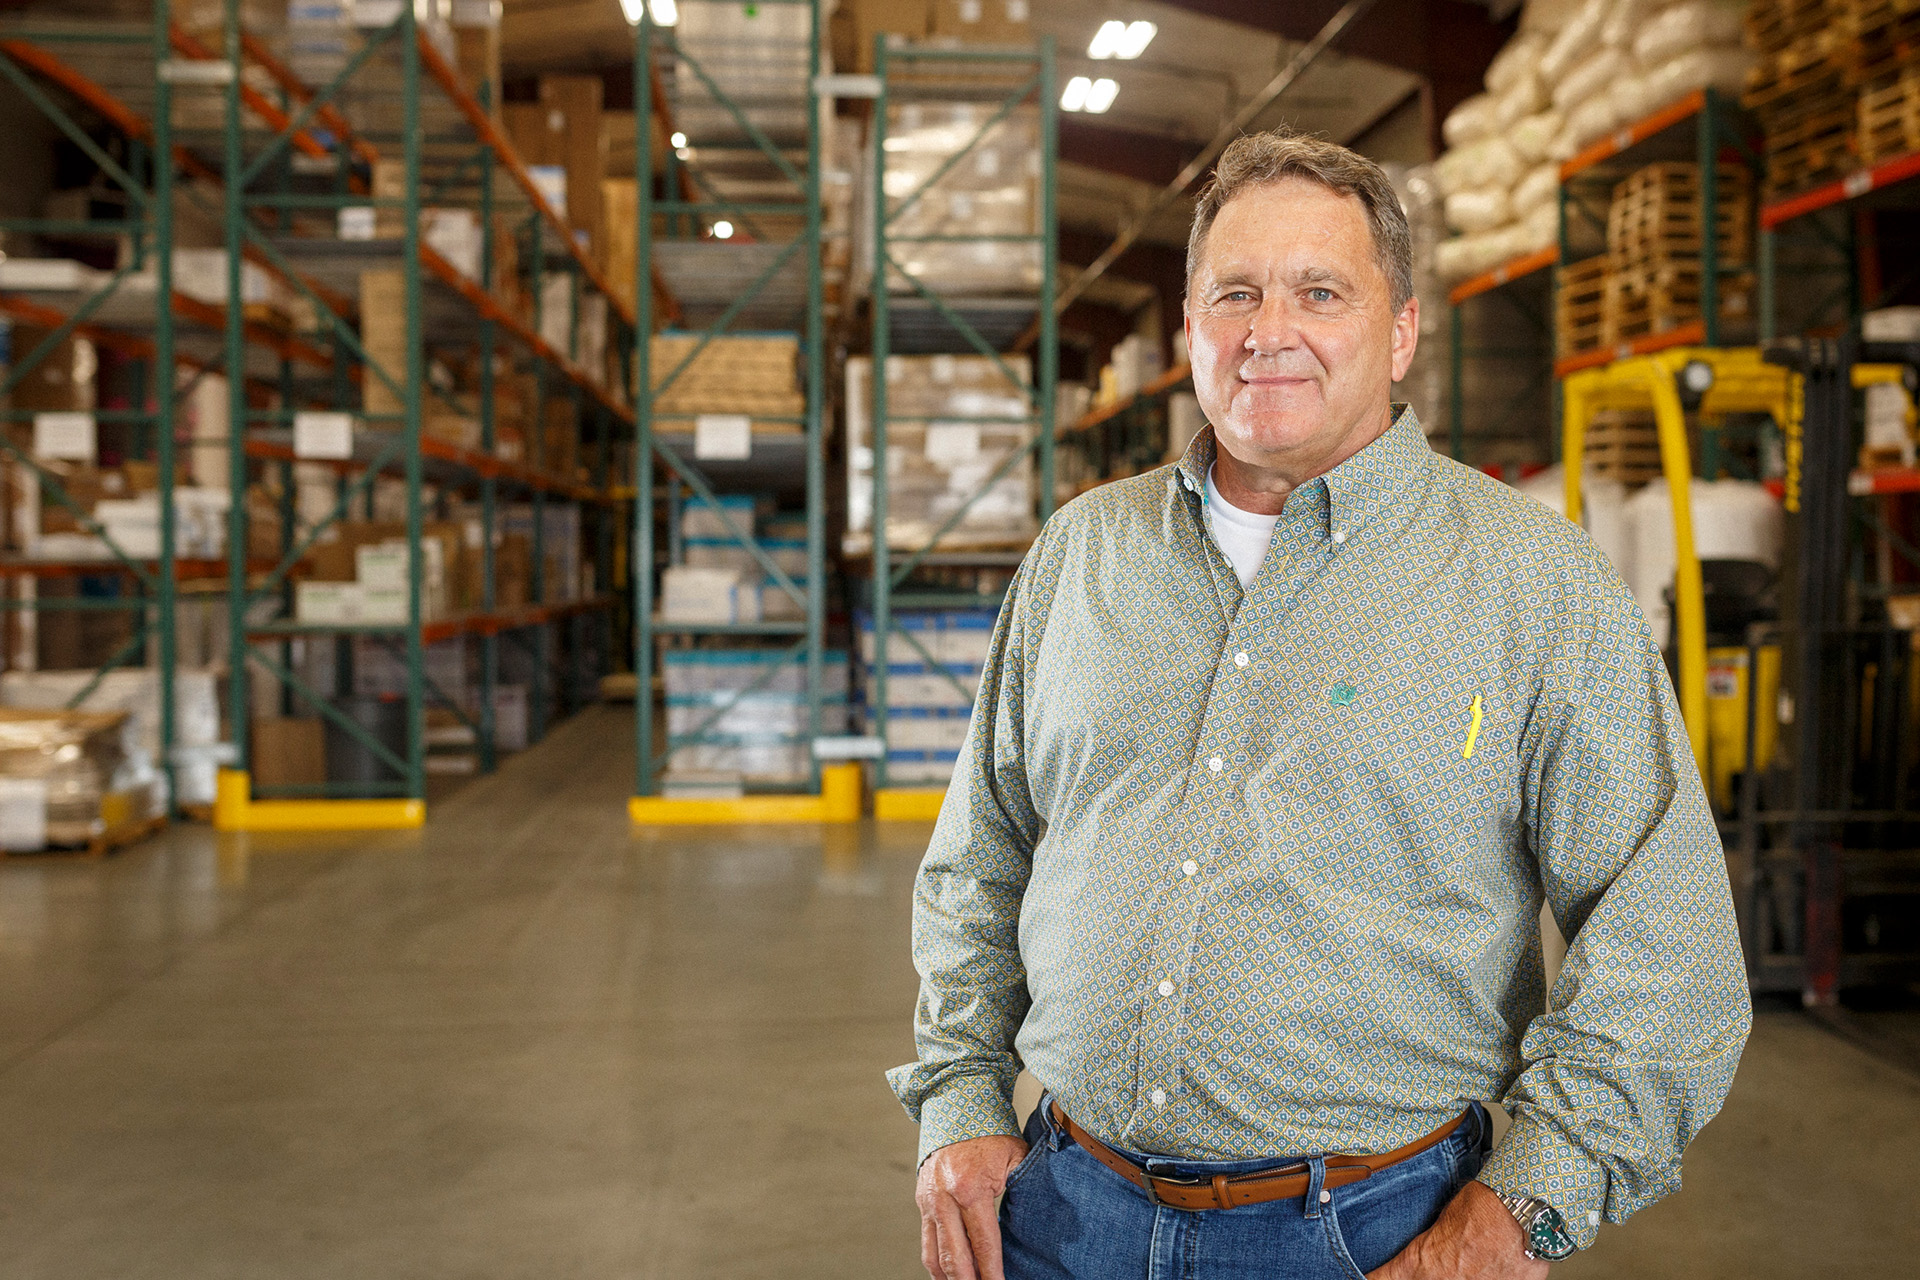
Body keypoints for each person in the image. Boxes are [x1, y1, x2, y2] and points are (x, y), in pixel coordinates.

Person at [886, 129, 1752, 1280]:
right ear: (1193, 323)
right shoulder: (1081, 553)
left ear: (1400, 332)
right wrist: (958, 1100)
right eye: (1233, 291)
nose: (1269, 329)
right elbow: (980, 852)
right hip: (1059, 1211)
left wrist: (1524, 1208)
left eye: (1320, 290)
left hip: (1369, 1233)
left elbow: (1671, 936)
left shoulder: (1532, 583)